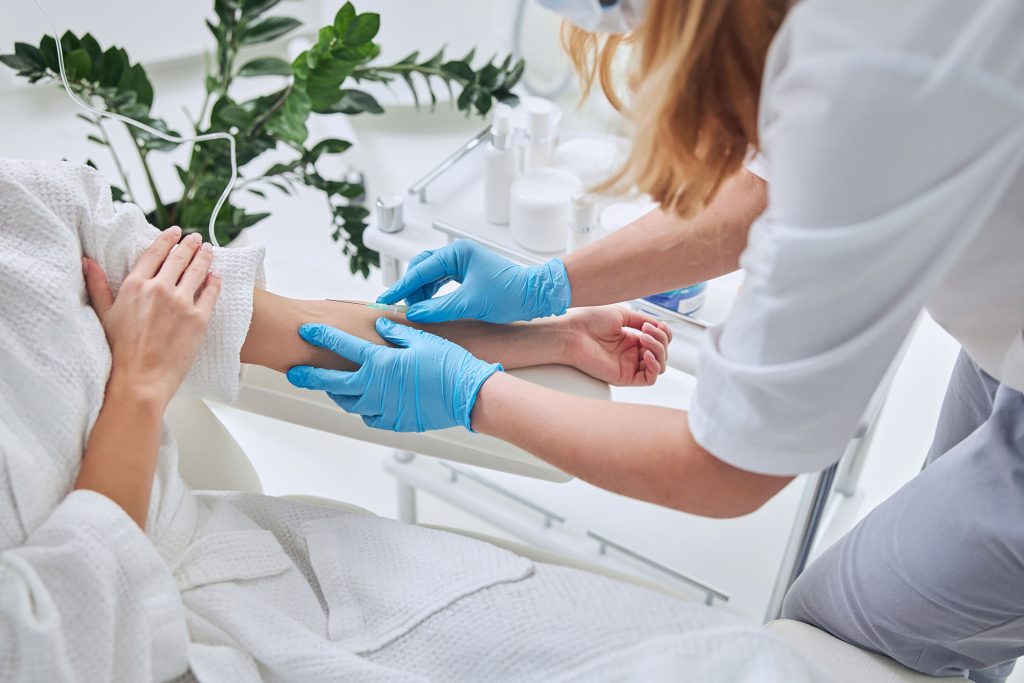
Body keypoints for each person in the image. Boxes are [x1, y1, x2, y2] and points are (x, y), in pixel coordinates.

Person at [286, 0, 1024, 680]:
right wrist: (554, 287)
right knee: (966, 618)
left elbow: (730, 468)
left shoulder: (872, 66)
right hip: (1009, 337)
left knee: (843, 634)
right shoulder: (854, 47)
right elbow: (771, 189)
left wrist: (471, 393)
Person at [0, 158, 821, 681]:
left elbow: (265, 321)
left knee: (741, 662)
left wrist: (546, 324)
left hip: (268, 571)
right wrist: (140, 388)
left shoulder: (27, 202)